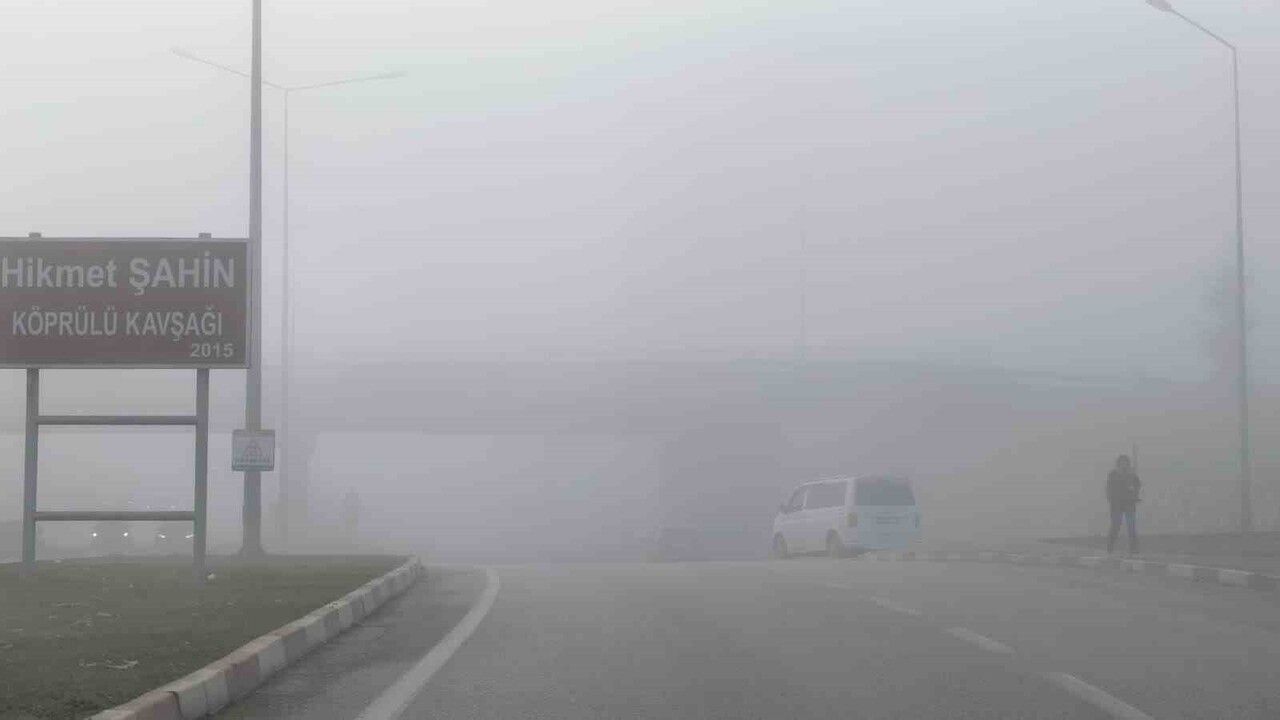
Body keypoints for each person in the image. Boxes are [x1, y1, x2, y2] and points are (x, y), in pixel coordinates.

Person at [1106, 454, 1141, 555]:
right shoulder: (1113, 474)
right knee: (1116, 525)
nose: (1124, 464)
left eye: (1125, 462)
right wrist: (1111, 498)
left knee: (1131, 526)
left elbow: (1137, 486)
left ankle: (1133, 549)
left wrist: (1135, 494)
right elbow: (1109, 488)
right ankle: (1110, 547)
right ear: (1118, 463)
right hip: (1117, 504)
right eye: (1122, 462)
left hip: (1129, 503)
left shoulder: (1132, 475)